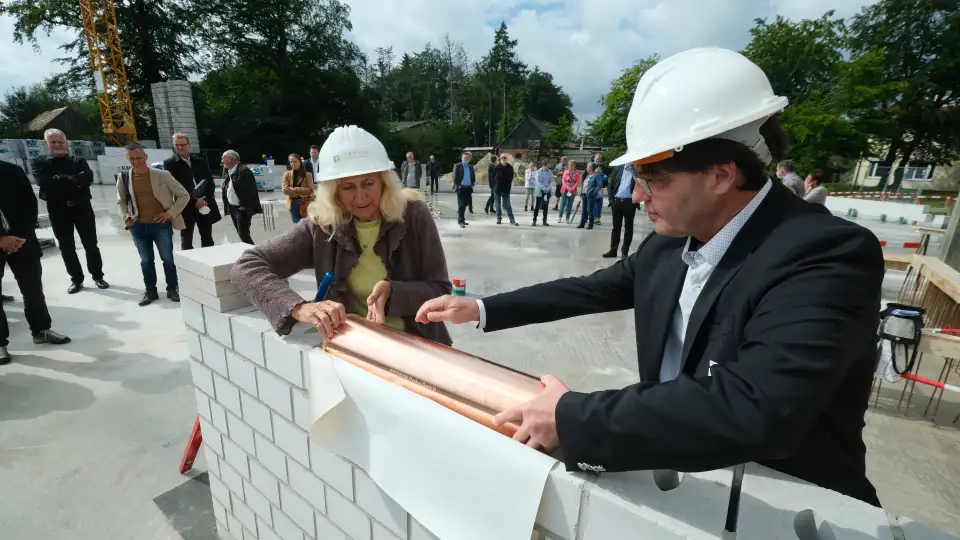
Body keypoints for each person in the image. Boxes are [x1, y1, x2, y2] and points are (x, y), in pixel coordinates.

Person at [415, 48, 884, 507]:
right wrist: (481, 307)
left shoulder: (823, 254)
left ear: (722, 174)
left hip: (784, 507)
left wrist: (573, 417)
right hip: (682, 484)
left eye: (653, 179)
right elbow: (595, 288)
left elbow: (756, 408)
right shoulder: (670, 243)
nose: (637, 196)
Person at [231, 125, 453, 345]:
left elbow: (440, 288)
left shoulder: (414, 215)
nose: (360, 197)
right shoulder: (324, 226)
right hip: (353, 347)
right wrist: (297, 307)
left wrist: (394, 292)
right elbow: (246, 266)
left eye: (368, 183)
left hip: (418, 345)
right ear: (333, 191)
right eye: (347, 187)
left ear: (384, 181)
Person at [1, 160, 71, 364]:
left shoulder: (11, 171)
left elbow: (29, 203)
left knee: (32, 288)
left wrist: (20, 235)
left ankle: (41, 330)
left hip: (23, 240)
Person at [32, 128, 108, 294]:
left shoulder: (78, 160)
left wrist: (60, 179)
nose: (57, 144)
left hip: (82, 208)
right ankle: (76, 280)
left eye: (60, 141)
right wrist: (74, 180)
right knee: (67, 247)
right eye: (53, 142)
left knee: (91, 245)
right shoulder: (39, 162)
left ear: (66, 143)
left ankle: (97, 276)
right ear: (47, 144)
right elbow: (43, 182)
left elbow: (88, 178)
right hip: (58, 210)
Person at [117, 143, 190, 306]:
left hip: (161, 226)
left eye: (139, 158)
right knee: (146, 261)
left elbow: (184, 195)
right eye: (132, 158)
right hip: (138, 226)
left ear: (146, 157)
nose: (136, 161)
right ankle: (151, 291)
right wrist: (126, 216)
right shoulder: (124, 177)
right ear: (127, 158)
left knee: (168, 259)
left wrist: (170, 213)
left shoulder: (162, 175)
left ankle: (172, 289)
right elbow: (121, 200)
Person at [163, 132, 221, 250]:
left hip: (204, 204)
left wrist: (206, 200)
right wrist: (194, 201)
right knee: (186, 239)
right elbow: (174, 187)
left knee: (207, 238)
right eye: (177, 145)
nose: (180, 147)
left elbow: (209, 182)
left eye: (183, 144)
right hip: (186, 206)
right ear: (174, 146)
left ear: (188, 145)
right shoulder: (170, 164)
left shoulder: (200, 161)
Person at [220, 150, 263, 244]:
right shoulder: (230, 172)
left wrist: (244, 205)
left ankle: (253, 254)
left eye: (223, 158)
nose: (222, 161)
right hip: (233, 208)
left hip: (242, 208)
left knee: (244, 235)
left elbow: (251, 191)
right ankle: (250, 253)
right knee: (241, 234)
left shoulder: (243, 171)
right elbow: (233, 187)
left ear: (229, 159)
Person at [282, 153, 315, 224]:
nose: (293, 163)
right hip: (293, 203)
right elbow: (285, 189)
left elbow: (310, 190)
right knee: (296, 224)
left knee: (306, 225)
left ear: (300, 162)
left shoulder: (308, 175)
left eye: (295, 161)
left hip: (305, 202)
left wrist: (294, 189)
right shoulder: (287, 174)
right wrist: (297, 195)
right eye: (291, 162)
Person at [492, 154, 518, 226]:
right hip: (497, 189)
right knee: (497, 204)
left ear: (507, 159)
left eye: (505, 157)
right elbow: (492, 178)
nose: (503, 159)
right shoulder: (496, 167)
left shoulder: (510, 167)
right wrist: (494, 187)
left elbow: (511, 177)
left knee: (508, 205)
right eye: (502, 158)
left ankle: (512, 220)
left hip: (506, 189)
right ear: (500, 159)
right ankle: (499, 218)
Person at [452, 152, 476, 228]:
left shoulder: (470, 167)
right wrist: (458, 186)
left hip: (468, 188)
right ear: (462, 158)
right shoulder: (457, 166)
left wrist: (472, 184)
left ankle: (462, 219)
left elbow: (473, 177)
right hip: (461, 188)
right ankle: (460, 221)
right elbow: (454, 177)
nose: (465, 159)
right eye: (464, 158)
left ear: (469, 159)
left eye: (467, 158)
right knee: (461, 205)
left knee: (465, 204)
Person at [531, 161, 552, 227]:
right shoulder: (538, 172)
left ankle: (544, 221)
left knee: (546, 206)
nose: (548, 167)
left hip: (547, 191)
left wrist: (548, 188)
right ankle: (534, 220)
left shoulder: (550, 172)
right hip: (540, 190)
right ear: (544, 165)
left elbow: (551, 181)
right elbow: (537, 182)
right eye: (547, 166)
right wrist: (544, 188)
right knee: (537, 205)